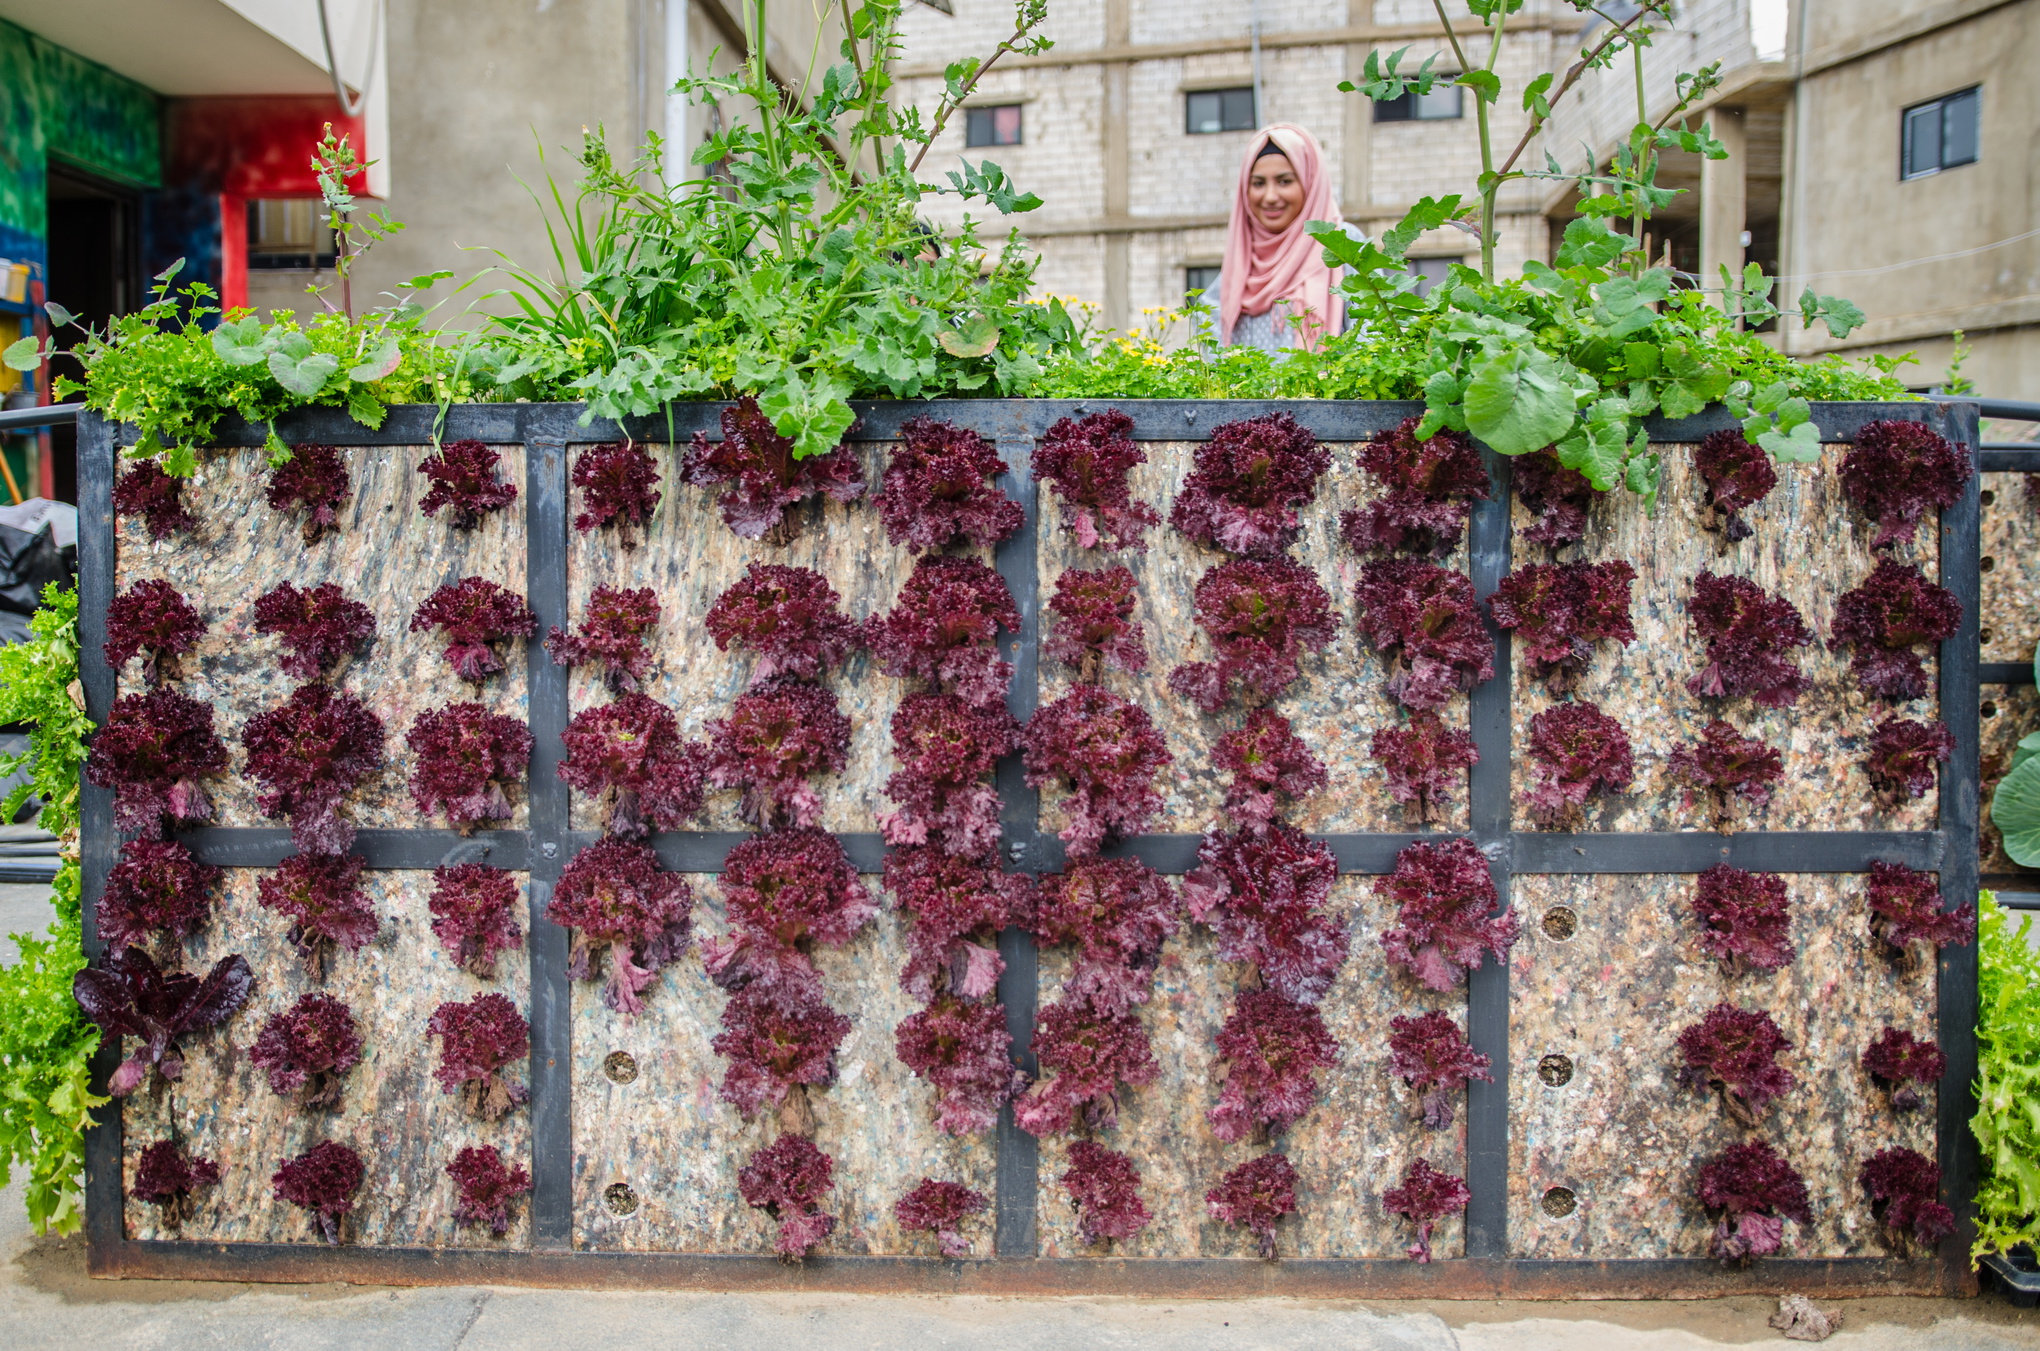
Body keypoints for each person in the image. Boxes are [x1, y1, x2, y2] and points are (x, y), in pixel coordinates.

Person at [1209, 123, 1361, 352]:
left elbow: (1373, 332)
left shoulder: (1340, 242)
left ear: (1310, 182)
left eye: (1284, 181)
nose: (1270, 196)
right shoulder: (1242, 258)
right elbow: (1214, 342)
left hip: (1326, 387)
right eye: (1258, 183)